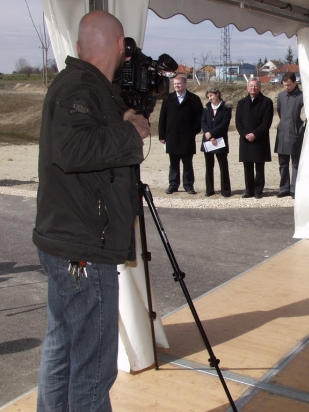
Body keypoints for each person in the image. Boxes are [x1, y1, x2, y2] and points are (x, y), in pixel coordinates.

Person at [32, 10, 151, 411]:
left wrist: (120, 119)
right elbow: (73, 150)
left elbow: (86, 138)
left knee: (63, 348)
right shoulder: (81, 88)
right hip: (84, 245)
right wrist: (130, 130)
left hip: (68, 240)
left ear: (81, 46)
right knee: (93, 367)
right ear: (120, 45)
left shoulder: (83, 85)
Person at [159, 74, 203, 195]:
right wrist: (162, 135)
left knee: (187, 163)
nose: (176, 86)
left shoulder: (193, 99)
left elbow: (200, 117)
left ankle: (188, 185)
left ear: (185, 84)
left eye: (179, 83)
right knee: (173, 163)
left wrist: (193, 131)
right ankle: (173, 185)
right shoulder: (168, 99)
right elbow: (162, 117)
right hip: (172, 136)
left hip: (187, 137)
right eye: (175, 84)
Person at [236, 78, 274, 199]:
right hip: (245, 139)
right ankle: (249, 190)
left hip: (259, 139)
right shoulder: (241, 103)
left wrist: (255, 134)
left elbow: (266, 123)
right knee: (247, 166)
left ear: (260, 87)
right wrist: (245, 134)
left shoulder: (267, 102)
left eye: (256, 86)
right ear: (247, 87)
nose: (253, 88)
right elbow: (238, 122)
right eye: (251, 86)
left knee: (259, 166)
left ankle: (258, 190)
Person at [274, 72, 305, 198]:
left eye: (289, 85)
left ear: (295, 82)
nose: (287, 87)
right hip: (282, 133)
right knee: (283, 163)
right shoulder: (281, 96)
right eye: (285, 85)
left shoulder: (302, 96)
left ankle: (295, 188)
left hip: (296, 133)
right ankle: (284, 188)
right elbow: (279, 112)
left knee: (296, 164)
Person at [200, 86, 232, 197]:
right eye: (208, 96)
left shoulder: (226, 108)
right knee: (209, 166)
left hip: (220, 140)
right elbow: (203, 122)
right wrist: (208, 135)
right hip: (208, 140)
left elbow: (224, 124)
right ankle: (209, 190)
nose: (210, 98)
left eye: (211, 95)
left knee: (223, 166)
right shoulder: (206, 108)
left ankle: (225, 190)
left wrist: (212, 133)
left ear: (217, 94)